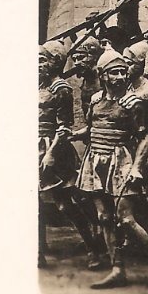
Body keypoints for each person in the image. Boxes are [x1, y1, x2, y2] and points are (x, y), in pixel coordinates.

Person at [74, 50, 148, 289]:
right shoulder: (95, 100)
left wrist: (137, 168)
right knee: (104, 218)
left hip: (121, 161)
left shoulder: (133, 102)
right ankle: (117, 269)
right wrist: (74, 134)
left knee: (125, 219)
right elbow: (92, 129)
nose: (120, 77)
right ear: (102, 75)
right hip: (95, 160)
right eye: (114, 72)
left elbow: (143, 138)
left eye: (123, 72)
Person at [38, 42, 105, 268]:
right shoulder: (33, 86)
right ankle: (38, 251)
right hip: (33, 147)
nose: (37, 66)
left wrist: (50, 153)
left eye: (42, 61)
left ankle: (93, 248)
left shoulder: (61, 88)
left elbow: (64, 126)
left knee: (65, 205)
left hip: (54, 149)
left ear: (53, 63)